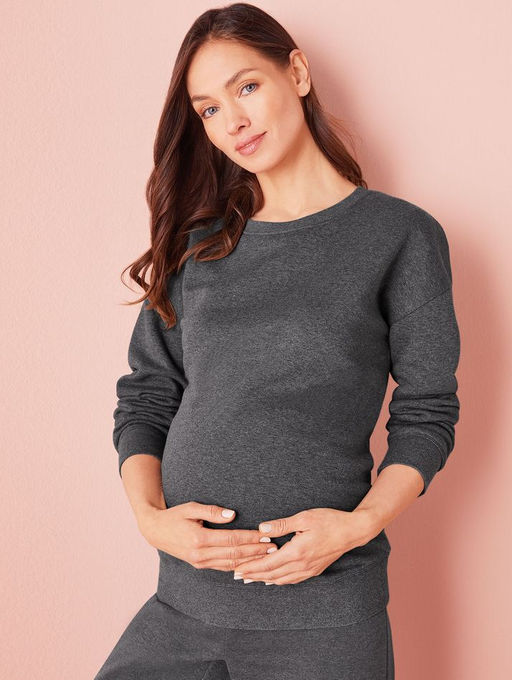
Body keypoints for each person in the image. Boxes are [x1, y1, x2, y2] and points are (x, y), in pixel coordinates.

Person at [94, 3, 460, 679]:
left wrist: (357, 526)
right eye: (209, 109)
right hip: (183, 603)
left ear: (296, 73)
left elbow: (427, 412)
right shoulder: (197, 247)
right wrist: (149, 518)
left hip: (324, 615)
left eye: (247, 87)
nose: (232, 121)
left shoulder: (398, 236)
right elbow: (147, 396)